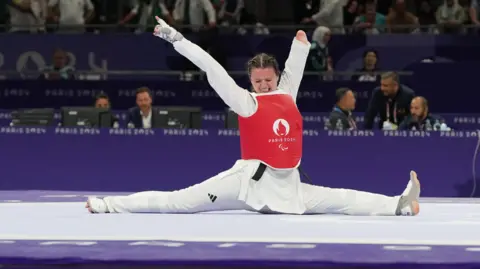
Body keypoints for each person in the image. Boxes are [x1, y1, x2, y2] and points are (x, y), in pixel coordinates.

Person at [86, 17, 420, 216]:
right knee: (177, 202)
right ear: (251, 81)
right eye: (257, 81)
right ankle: (109, 205)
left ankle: (399, 205)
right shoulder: (246, 102)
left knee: (343, 198)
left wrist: (301, 46)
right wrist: (178, 40)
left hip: (289, 186)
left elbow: (295, 69)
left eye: (267, 80)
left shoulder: (286, 93)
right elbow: (212, 68)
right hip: (248, 182)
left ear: (275, 78)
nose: (262, 85)